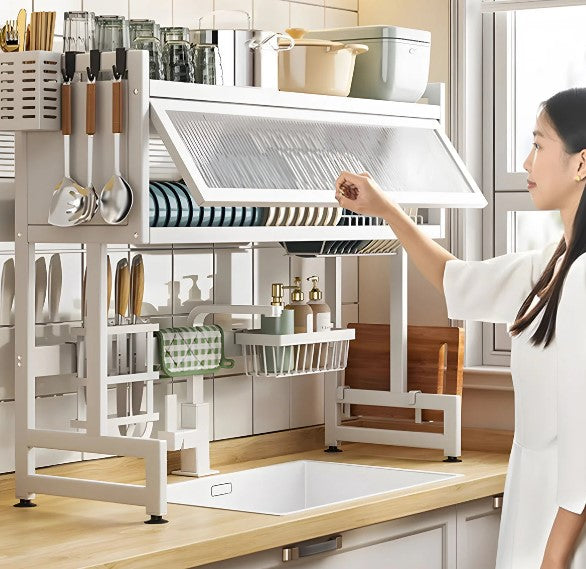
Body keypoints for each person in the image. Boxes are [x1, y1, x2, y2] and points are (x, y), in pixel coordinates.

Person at [334, 87, 586, 569]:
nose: (526, 161)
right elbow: (457, 279)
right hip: (535, 501)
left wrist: (553, 561)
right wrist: (385, 209)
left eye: (538, 144)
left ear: (580, 164)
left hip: (560, 531)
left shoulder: (584, 278)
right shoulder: (554, 264)